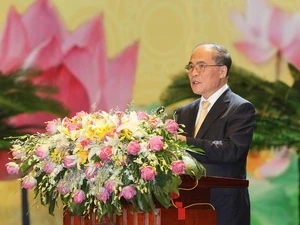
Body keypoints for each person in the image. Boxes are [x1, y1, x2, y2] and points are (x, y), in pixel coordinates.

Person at [176, 43, 255, 225]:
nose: (193, 73)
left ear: (222, 71)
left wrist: (184, 142)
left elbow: (231, 150)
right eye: (191, 67)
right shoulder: (183, 112)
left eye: (201, 66)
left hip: (224, 208)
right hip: (187, 206)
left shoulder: (240, 108)